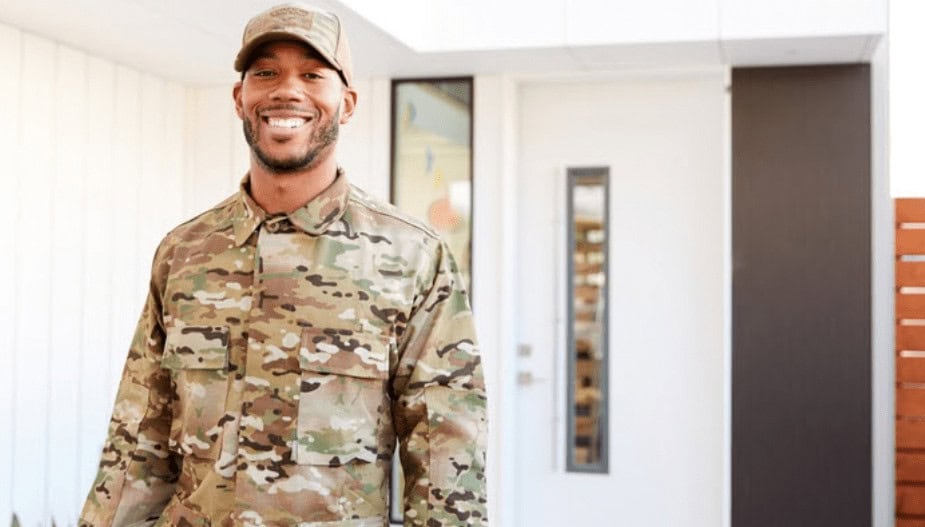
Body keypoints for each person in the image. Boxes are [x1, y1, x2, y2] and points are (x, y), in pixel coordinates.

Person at [78, 4, 487, 526]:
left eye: (313, 74)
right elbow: (139, 438)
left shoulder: (411, 255)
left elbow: (446, 449)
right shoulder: (184, 251)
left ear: (348, 102)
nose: (286, 90)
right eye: (265, 73)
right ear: (239, 98)